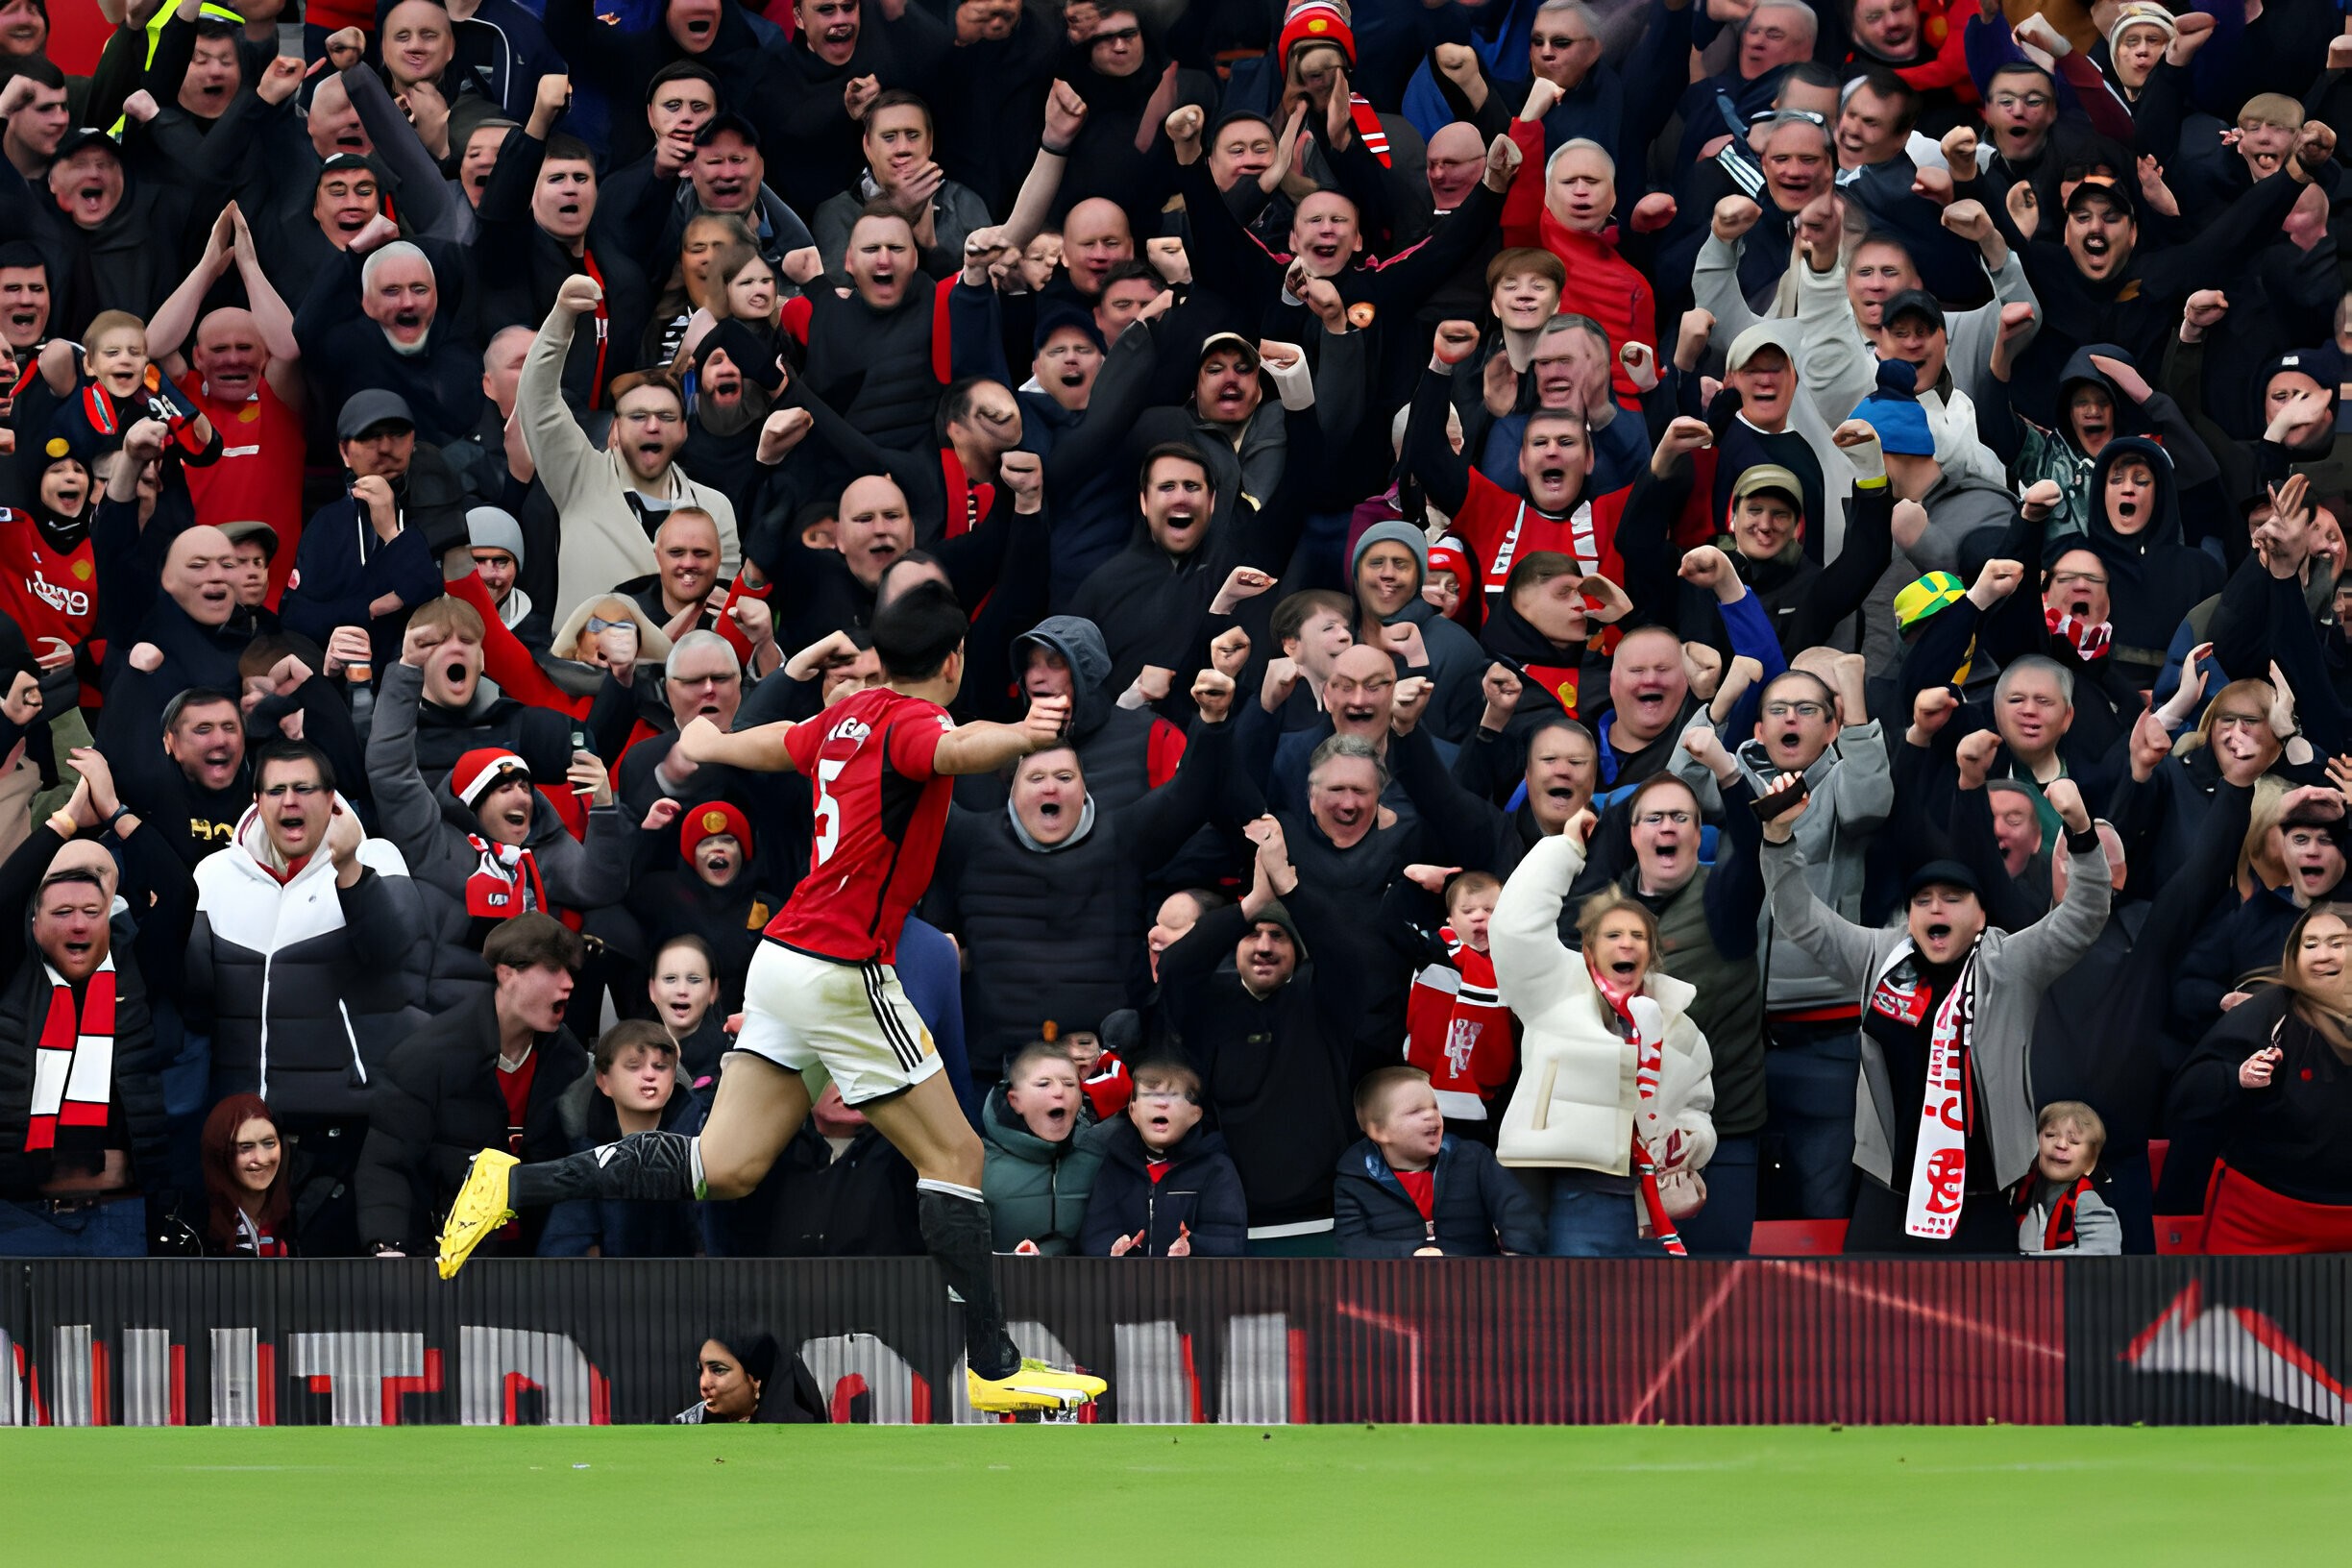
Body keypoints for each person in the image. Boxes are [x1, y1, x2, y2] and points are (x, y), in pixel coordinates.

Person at [431, 584, 1105, 1414]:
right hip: (841, 966)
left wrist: (710, 734)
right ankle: (995, 1364)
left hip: (781, 957)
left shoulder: (845, 721)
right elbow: (960, 749)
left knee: (726, 1165)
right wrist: (1027, 732)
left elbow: (775, 741)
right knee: (956, 1159)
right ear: (955, 661)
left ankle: (510, 1185)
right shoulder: (909, 723)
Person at [1757, 772, 2112, 1252]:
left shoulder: (2010, 963)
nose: (1934, 908)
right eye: (1922, 901)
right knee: (1871, 1325)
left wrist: (2080, 831)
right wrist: (1778, 836)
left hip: (1983, 1196)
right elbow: (1799, 914)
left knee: (1981, 1327)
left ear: (1981, 916)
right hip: (1889, 1191)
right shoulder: (1880, 955)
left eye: (1951, 898)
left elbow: (2085, 915)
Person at [1490, 819, 1717, 1257]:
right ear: (1589, 949)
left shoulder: (1681, 1027)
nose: (1626, 944)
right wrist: (1567, 848)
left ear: (1652, 951)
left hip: (1644, 1202)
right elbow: (1514, 927)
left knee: (1639, 1321)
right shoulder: (1555, 988)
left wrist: (1689, 1139)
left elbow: (1697, 1109)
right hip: (1567, 1184)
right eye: (1613, 935)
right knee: (1574, 1316)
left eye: (1638, 936)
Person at [354, 914, 590, 1258]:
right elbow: (386, 1162)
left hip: (538, 1256)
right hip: (445, 1257)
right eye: (553, 970)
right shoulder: (427, 1057)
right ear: (507, 974)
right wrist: (387, 1245)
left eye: (571, 971)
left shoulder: (568, 1059)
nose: (568, 984)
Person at [2173, 904, 2352, 1256]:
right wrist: (2237, 1077)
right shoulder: (2271, 1009)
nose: (2321, 956)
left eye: (2336, 942)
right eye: (2310, 944)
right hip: (2262, 1217)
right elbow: (2189, 1090)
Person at [1334, 1066, 1542, 1258]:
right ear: (1378, 1131)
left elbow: (1516, 1209)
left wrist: (1517, 1254)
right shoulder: (1355, 1177)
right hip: (1398, 1284)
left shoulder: (1472, 1158)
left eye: (1435, 1107)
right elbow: (1352, 1244)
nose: (1431, 1115)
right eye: (1415, 1111)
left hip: (1472, 1278)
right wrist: (1411, 1253)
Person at [1077, 1056, 1247, 1259]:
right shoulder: (1115, 1166)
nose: (1160, 1104)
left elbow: (1228, 1239)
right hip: (1127, 1284)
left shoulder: (1216, 1169)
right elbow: (1097, 1232)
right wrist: (1112, 1251)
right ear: (1133, 1111)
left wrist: (1193, 1246)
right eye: (1149, 1095)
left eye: (1173, 1095)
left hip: (1190, 1285)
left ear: (1195, 1113)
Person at [979, 1039, 1103, 1256]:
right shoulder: (979, 1162)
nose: (1059, 1092)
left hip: (1084, 1284)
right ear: (1015, 1100)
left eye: (1069, 1083)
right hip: (1006, 1284)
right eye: (1044, 1084)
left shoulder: (1098, 1155)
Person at [2013, 1099, 2119, 1257]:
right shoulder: (2020, 1193)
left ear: (2090, 1161)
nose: (2061, 1144)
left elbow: (2102, 1258)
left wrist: (2026, 1262)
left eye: (2074, 1141)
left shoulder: (2087, 1202)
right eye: (2050, 1135)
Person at [198, 1092, 293, 1257]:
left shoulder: (302, 1214)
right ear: (221, 1154)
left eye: (269, 1143)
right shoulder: (197, 1228)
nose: (261, 1159)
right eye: (246, 1147)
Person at [673, 1327, 826, 1424]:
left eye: (718, 1370)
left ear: (756, 1381)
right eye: (701, 1371)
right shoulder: (689, 1425)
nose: (704, 1384)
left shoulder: (796, 1430)